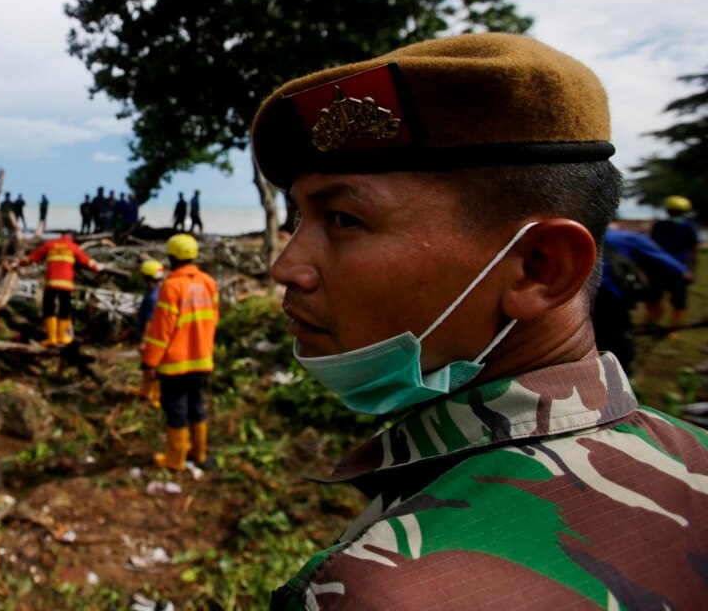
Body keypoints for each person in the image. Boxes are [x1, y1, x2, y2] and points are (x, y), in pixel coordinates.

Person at [250, 33, 708, 608]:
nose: (286, 265)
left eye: (344, 219)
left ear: (540, 269)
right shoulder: (696, 457)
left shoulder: (382, 590)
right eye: (297, 217)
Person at [140, 234, 218, 470]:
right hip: (202, 359)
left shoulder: (171, 286)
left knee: (175, 409)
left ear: (171, 257)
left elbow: (161, 331)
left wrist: (150, 362)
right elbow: (213, 320)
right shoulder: (208, 282)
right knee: (197, 406)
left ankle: (175, 461)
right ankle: (200, 455)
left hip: (175, 363)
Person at [592, 223, 688, 370]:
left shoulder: (578, 235)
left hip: (579, 296)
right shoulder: (628, 237)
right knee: (616, 345)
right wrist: (682, 271)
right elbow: (659, 256)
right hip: (610, 297)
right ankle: (618, 382)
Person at [21, 232, 102, 346]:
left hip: (51, 283)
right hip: (66, 284)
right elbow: (87, 261)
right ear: (71, 238)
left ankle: (52, 337)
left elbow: (33, 257)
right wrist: (98, 268)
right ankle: (62, 336)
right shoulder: (73, 247)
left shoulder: (50, 245)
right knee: (65, 308)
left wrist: (18, 263)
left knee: (48, 308)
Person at [647, 195, 700, 327]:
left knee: (678, 299)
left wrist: (691, 269)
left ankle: (675, 325)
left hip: (676, 269)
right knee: (655, 296)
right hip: (664, 269)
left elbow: (693, 251)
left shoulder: (689, 228)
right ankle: (655, 321)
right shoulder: (660, 226)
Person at [132, 258, 166, 407]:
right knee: (147, 365)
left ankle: (157, 397)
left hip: (152, 338)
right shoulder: (158, 292)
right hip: (156, 337)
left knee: (153, 367)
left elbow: (150, 320)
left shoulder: (153, 297)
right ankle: (145, 391)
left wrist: (143, 341)